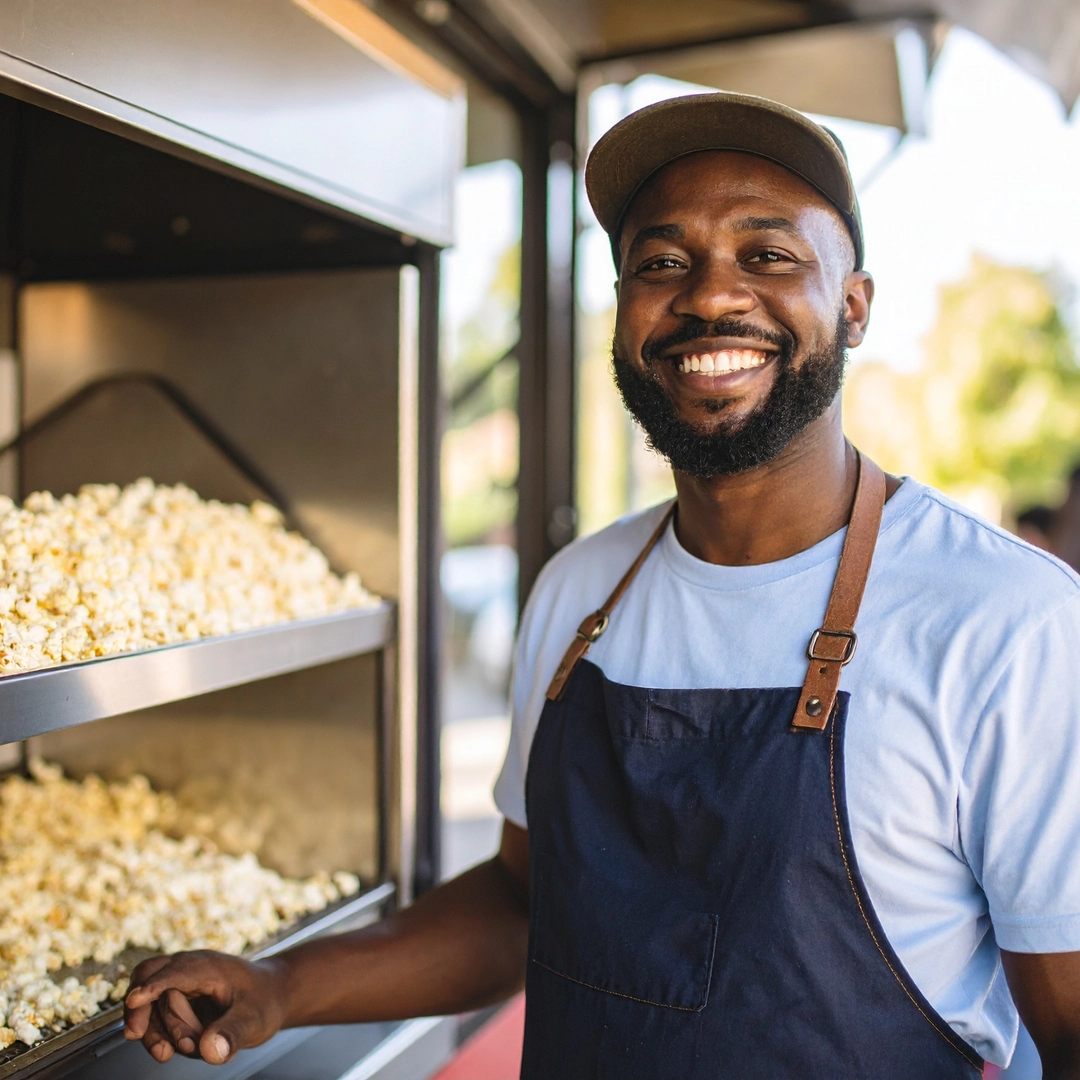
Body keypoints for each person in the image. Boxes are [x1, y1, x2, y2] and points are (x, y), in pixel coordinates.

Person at [124, 93, 1080, 1078]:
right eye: (662, 263)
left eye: (768, 255)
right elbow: (524, 903)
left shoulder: (1008, 621)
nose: (711, 297)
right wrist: (282, 986)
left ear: (854, 305)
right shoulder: (581, 592)